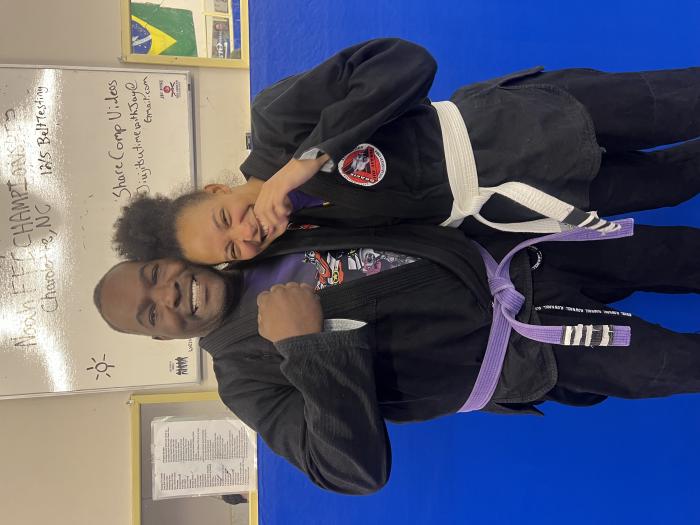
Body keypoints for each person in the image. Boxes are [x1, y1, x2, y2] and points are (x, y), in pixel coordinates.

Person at [95, 222, 700, 494]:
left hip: (522, 253)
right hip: (528, 347)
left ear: (168, 257)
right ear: (162, 339)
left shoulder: (261, 238)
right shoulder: (244, 380)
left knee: (682, 253)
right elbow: (350, 472)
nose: (167, 294)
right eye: (151, 313)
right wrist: (306, 349)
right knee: (683, 361)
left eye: (155, 275)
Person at [112, 38, 700, 265]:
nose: (247, 233)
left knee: (686, 104)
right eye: (232, 250)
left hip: (525, 124)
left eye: (226, 218)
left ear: (217, 189)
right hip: (528, 201)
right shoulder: (313, 240)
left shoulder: (275, 121)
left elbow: (404, 62)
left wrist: (305, 161)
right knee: (672, 184)